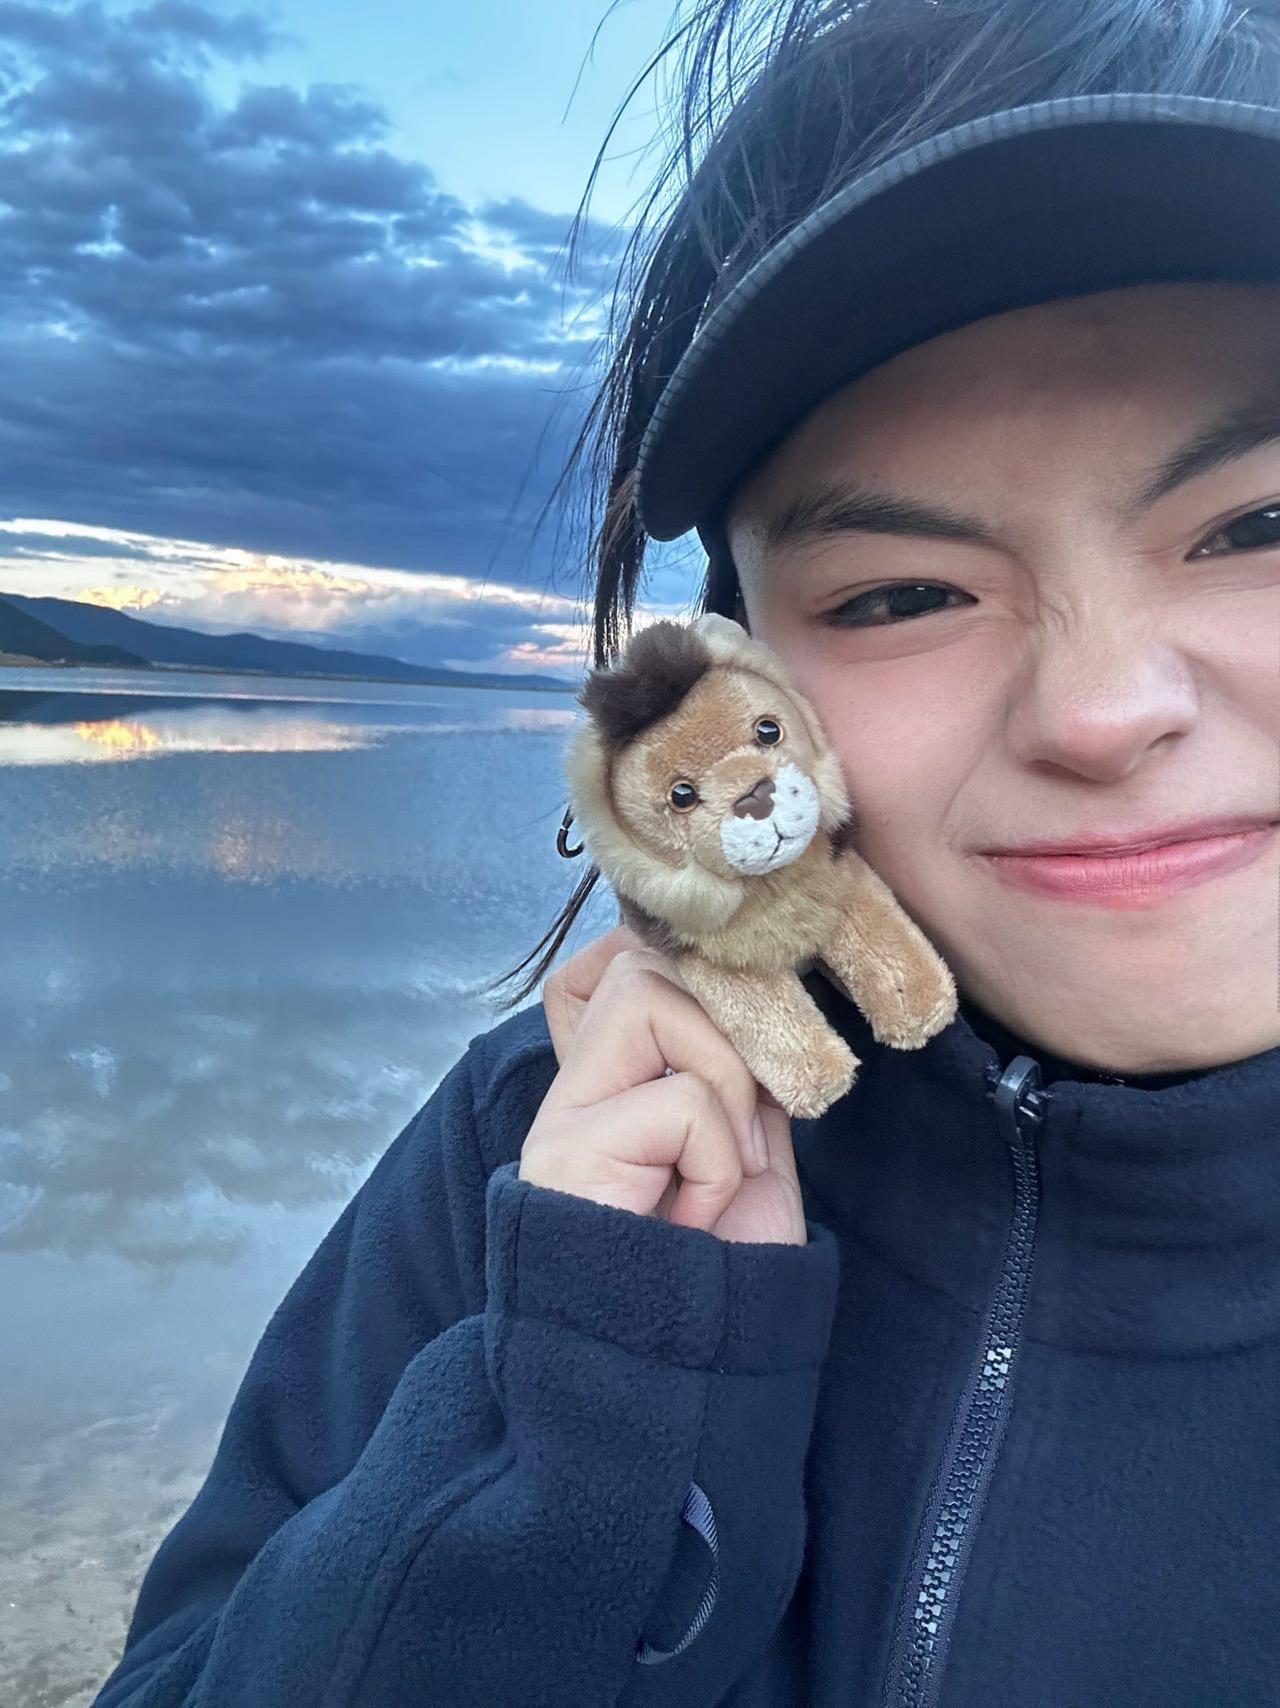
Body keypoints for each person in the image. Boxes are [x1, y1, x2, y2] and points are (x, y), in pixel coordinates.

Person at [93, 3, 1280, 1705]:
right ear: (746, 682)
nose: (1099, 712)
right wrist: (580, 1423)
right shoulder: (558, 1148)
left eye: (1256, 525)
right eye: (901, 594)